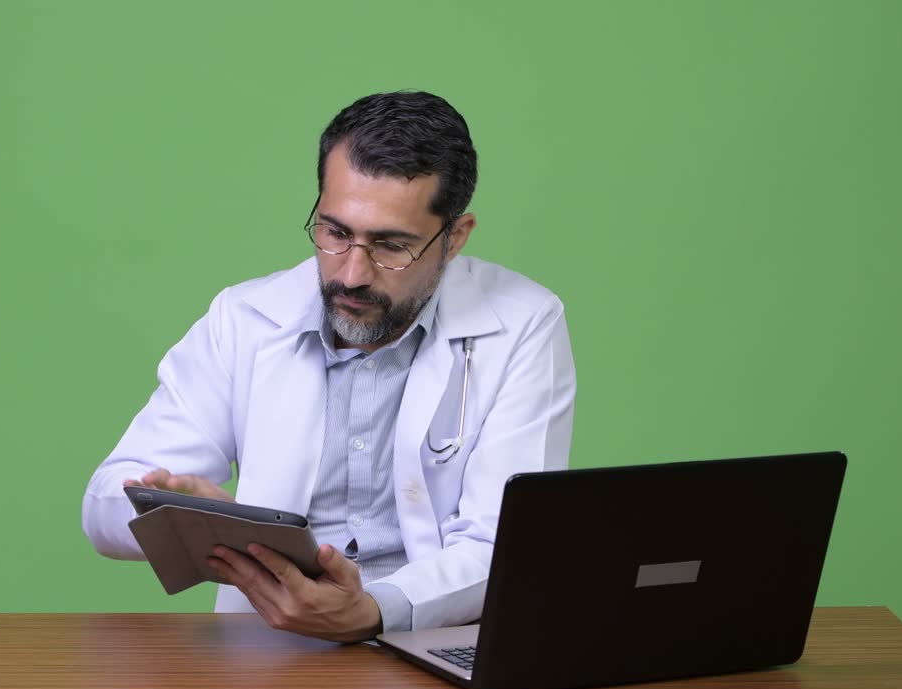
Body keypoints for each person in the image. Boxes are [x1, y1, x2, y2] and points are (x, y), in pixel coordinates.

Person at [83, 90, 575, 643]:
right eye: (336, 233)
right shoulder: (245, 319)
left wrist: (374, 610)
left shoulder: (522, 322)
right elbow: (103, 505)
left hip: (437, 641)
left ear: (454, 238)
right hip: (270, 649)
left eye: (392, 245)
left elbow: (503, 542)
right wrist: (181, 516)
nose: (352, 274)